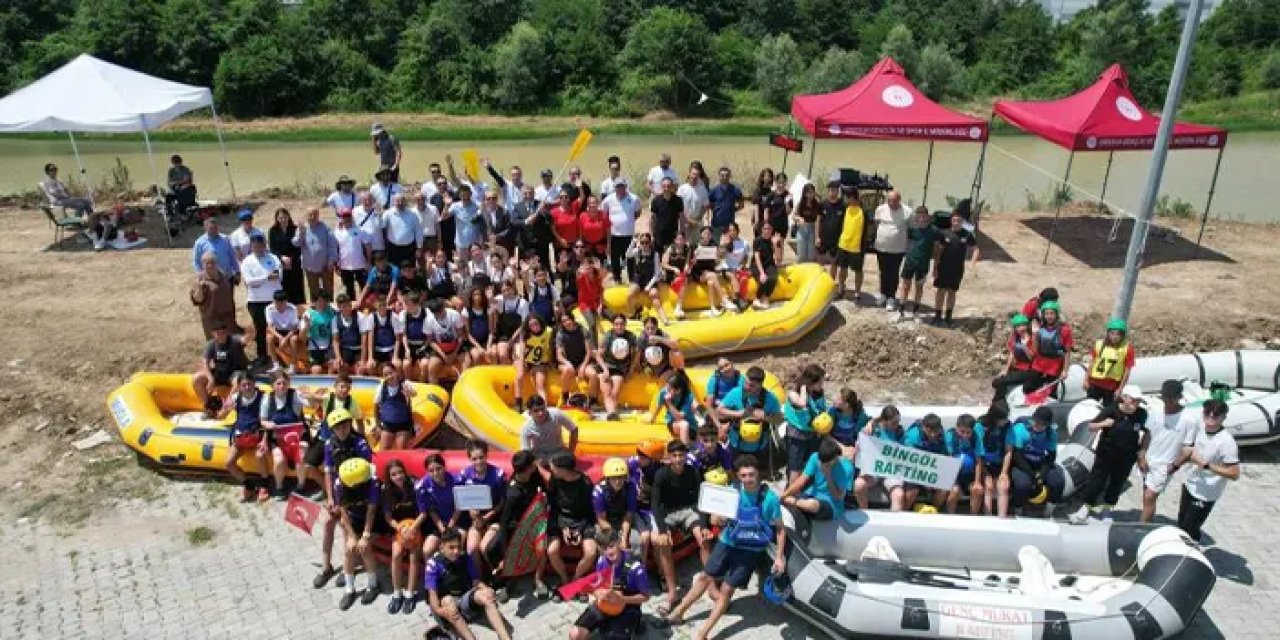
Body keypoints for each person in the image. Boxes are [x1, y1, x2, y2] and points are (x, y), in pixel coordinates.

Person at [661, 455, 786, 640]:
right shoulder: (731, 492)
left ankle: (703, 633)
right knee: (704, 577)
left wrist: (779, 557)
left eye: (751, 474)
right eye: (743, 475)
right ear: (738, 476)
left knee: (727, 589)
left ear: (757, 473)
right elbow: (715, 519)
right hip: (728, 541)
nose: (748, 479)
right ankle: (678, 613)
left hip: (750, 550)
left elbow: (780, 529)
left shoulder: (770, 499)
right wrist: (716, 519)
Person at [314, 407, 373, 592]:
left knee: (346, 528)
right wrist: (331, 498)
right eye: (338, 427)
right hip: (339, 491)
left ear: (350, 424)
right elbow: (329, 472)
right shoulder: (329, 445)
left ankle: (349, 566)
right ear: (332, 429)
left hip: (356, 492)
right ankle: (326, 567)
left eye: (345, 425)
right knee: (327, 523)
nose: (342, 429)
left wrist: (344, 503)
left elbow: (368, 471)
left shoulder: (360, 444)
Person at [1071, 385, 1150, 522]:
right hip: (1106, 453)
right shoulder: (1111, 410)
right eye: (1133, 400)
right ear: (1124, 398)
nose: (1136, 404)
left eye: (1138, 401)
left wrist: (1142, 452)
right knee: (1097, 480)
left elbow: (1147, 432)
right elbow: (1091, 426)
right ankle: (1086, 507)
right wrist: (1104, 424)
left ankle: (1107, 509)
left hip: (1127, 455)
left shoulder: (1141, 414)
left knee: (1117, 483)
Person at [424, 528, 512, 640]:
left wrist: (486, 589)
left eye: (458, 547)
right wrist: (441, 611)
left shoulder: (465, 558)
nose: (456, 551)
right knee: (448, 601)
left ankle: (505, 637)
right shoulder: (433, 564)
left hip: (463, 598)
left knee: (486, 595)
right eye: (451, 547)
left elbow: (475, 581)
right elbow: (432, 595)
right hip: (446, 605)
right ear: (442, 547)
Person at [651, 440, 708, 612]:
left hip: (687, 509)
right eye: (674, 456)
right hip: (667, 512)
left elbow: (701, 500)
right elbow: (655, 503)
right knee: (664, 543)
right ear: (669, 457)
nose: (678, 459)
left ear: (685, 456)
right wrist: (662, 530)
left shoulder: (693, 472)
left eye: (681, 455)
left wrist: (704, 525)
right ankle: (672, 591)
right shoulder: (661, 475)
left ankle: (710, 583)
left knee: (703, 538)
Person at [1173, 399, 1239, 541]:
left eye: (1215, 415)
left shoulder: (1227, 442)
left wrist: (1208, 466)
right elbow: (1191, 452)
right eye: (1207, 413)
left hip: (1206, 493)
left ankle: (1190, 551)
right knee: (1181, 521)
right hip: (1190, 483)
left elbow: (1234, 473)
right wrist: (1175, 465)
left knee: (1189, 528)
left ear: (1223, 417)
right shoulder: (1200, 429)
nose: (1210, 417)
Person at [568, 529, 651, 640]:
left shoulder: (636, 567)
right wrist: (596, 593)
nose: (609, 552)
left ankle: (636, 622)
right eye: (604, 549)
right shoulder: (601, 561)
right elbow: (598, 585)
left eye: (611, 546)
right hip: (604, 604)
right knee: (575, 634)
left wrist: (622, 599)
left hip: (627, 607)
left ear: (619, 542)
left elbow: (645, 597)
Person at [540, 453, 600, 598]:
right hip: (561, 519)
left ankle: (574, 581)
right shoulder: (556, 479)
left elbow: (590, 511)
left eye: (554, 467)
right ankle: (564, 580)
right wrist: (563, 527)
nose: (552, 470)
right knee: (552, 551)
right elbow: (553, 506)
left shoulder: (585, 483)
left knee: (591, 552)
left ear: (565, 469)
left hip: (583, 520)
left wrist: (578, 529)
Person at [1140, 380, 1198, 523]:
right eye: (1165, 398)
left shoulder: (1189, 419)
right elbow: (1148, 434)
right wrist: (1141, 455)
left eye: (1172, 399)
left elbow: (1188, 448)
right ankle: (1148, 523)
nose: (1168, 402)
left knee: (1149, 496)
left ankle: (1141, 528)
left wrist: (1175, 466)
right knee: (1147, 496)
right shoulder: (1155, 411)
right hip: (1148, 460)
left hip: (1165, 466)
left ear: (1179, 397)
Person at [334, 457, 386, 610]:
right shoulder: (339, 484)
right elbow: (343, 512)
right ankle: (349, 589)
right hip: (354, 519)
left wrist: (365, 536)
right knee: (350, 551)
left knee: (365, 547)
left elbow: (371, 512)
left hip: (375, 520)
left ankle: (373, 585)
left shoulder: (374, 483)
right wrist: (351, 537)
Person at [300, 373, 365, 492]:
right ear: (335, 387)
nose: (345, 390)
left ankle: (340, 491)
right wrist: (310, 395)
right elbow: (312, 400)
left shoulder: (352, 402)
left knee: (340, 468)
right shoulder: (327, 398)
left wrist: (362, 438)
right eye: (342, 386)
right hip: (324, 438)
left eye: (348, 388)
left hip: (343, 441)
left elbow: (360, 422)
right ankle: (327, 489)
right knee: (308, 466)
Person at [1002, 406, 1065, 518]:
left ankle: (1048, 512)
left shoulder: (1051, 434)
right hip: (1021, 463)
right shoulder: (1021, 429)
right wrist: (1032, 475)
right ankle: (1018, 510)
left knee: (1058, 482)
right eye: (1036, 422)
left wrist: (1042, 474)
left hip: (1040, 462)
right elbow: (1016, 456)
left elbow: (1051, 456)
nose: (1037, 426)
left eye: (1042, 424)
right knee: (1023, 485)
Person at [457, 440, 508, 579]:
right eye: (474, 458)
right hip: (475, 521)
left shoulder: (498, 474)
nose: (478, 461)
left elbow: (503, 501)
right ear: (469, 459)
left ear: (486, 456)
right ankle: (479, 581)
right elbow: (460, 497)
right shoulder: (465, 474)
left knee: (485, 547)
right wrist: (471, 512)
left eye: (481, 457)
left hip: (494, 518)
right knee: (471, 548)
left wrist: (487, 517)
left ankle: (498, 577)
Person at [217, 372, 269, 502]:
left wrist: (264, 440)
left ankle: (264, 485)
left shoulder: (263, 398)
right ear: (240, 386)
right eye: (243, 385)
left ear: (254, 383)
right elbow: (220, 416)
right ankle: (249, 485)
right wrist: (225, 409)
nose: (247, 387)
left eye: (249, 384)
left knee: (260, 455)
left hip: (257, 434)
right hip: (241, 436)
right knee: (229, 463)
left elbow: (267, 420)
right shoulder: (235, 398)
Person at [381, 458, 424, 615]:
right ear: (390, 477)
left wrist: (412, 529)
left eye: (400, 472)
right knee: (397, 554)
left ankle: (410, 593)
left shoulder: (415, 486)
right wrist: (401, 528)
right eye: (394, 474)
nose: (398, 476)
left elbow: (423, 513)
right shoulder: (387, 491)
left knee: (414, 555)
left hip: (416, 526)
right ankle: (397, 592)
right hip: (399, 529)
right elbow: (387, 517)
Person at [258, 371, 306, 500]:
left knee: (301, 457)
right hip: (277, 438)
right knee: (279, 460)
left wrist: (310, 397)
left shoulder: (295, 394)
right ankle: (279, 486)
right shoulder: (268, 398)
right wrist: (268, 424)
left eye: (284, 383)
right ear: (273, 385)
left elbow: (308, 403)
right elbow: (262, 420)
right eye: (278, 383)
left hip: (296, 437)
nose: (282, 386)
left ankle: (301, 486)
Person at [717, 366, 781, 460]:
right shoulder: (736, 392)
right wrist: (739, 413)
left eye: (751, 385)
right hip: (736, 444)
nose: (746, 387)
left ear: (760, 385)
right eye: (745, 382)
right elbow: (719, 410)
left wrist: (765, 416)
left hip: (760, 446)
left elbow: (779, 420)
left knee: (759, 472)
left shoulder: (771, 398)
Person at [782, 436, 853, 520]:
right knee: (788, 494)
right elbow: (802, 479)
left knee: (812, 505)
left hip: (831, 504)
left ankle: (795, 502)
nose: (821, 464)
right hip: (812, 494)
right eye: (820, 462)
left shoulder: (847, 468)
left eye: (825, 464)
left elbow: (838, 497)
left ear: (835, 458)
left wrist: (828, 475)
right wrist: (784, 495)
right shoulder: (815, 457)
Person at [931, 210, 979, 326]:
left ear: (962, 222)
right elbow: (937, 252)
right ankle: (937, 316)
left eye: (958, 220)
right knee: (940, 291)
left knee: (952, 292)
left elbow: (976, 249)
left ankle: (948, 317)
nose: (956, 222)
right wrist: (935, 268)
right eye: (954, 220)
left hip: (957, 269)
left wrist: (973, 263)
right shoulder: (944, 234)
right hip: (943, 267)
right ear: (951, 221)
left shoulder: (967, 235)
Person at [241, 232, 283, 366]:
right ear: (251, 246)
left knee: (276, 328)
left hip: (274, 300)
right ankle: (262, 356)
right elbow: (249, 281)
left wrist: (260, 280)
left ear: (264, 245)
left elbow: (278, 275)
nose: (258, 248)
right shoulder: (247, 262)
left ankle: (278, 356)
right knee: (260, 329)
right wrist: (266, 277)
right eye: (255, 246)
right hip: (256, 301)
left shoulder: (273, 258)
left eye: (261, 245)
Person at [783, 365, 830, 483]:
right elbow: (802, 403)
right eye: (819, 382)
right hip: (797, 436)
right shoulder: (793, 394)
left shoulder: (817, 393)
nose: (821, 385)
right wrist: (804, 388)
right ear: (810, 382)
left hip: (813, 433)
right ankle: (791, 491)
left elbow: (821, 409)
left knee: (811, 464)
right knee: (795, 467)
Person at [852, 406, 905, 509]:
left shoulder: (899, 432)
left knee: (898, 494)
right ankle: (865, 512)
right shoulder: (870, 430)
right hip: (873, 469)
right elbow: (859, 450)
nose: (897, 425)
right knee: (859, 485)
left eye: (898, 422)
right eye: (894, 423)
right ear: (885, 421)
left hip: (890, 470)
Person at [898, 414, 949, 511]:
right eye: (929, 431)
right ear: (923, 427)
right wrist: (924, 480)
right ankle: (904, 512)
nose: (933, 435)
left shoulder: (942, 436)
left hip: (932, 468)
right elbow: (908, 461)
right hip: (912, 469)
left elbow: (944, 457)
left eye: (936, 431)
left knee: (944, 489)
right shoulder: (912, 437)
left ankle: (933, 510)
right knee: (912, 492)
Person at [681, 225, 731, 318]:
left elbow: (718, 260)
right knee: (711, 275)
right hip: (698, 273)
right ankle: (724, 299)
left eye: (709, 233)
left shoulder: (713, 244)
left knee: (711, 282)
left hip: (709, 272)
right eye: (705, 233)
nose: (707, 235)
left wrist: (722, 246)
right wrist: (693, 261)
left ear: (711, 236)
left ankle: (712, 308)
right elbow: (688, 262)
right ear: (701, 235)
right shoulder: (694, 245)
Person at [897, 206, 938, 318]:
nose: (921, 217)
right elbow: (908, 241)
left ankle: (915, 311)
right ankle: (901, 310)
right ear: (916, 216)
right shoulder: (912, 228)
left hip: (923, 263)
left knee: (919, 287)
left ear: (927, 216)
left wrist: (935, 264)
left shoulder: (933, 230)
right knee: (905, 286)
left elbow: (937, 247)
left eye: (923, 214)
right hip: (910, 261)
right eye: (919, 214)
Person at [1084, 318, 1136, 405]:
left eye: (1118, 334)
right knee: (1089, 406)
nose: (1115, 337)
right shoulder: (1099, 344)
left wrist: (1120, 389)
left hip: (1112, 386)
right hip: (1095, 383)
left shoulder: (1127, 349)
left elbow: (1127, 371)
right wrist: (1086, 380)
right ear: (1108, 333)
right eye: (1112, 333)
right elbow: (1092, 363)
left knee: (1108, 410)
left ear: (1122, 336)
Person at [1026, 300, 1074, 393]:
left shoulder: (1064, 329)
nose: (1049, 316)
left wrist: (1065, 370)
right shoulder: (1040, 328)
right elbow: (1035, 350)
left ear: (1056, 314)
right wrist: (1035, 334)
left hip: (1055, 365)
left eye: (1052, 313)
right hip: (1039, 364)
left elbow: (1067, 351)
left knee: (1051, 393)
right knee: (1028, 388)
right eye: (1046, 313)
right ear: (1043, 315)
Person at [872, 190, 910, 310]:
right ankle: (883, 294)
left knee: (893, 273)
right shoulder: (880, 209)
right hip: (881, 247)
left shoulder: (908, 211)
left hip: (898, 249)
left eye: (894, 201)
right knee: (883, 271)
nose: (891, 203)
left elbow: (910, 229)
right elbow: (876, 223)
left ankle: (891, 297)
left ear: (899, 200)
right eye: (889, 201)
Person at [595, 314, 636, 420]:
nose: (619, 326)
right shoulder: (608, 336)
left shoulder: (630, 336)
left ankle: (611, 410)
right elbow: (598, 355)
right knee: (606, 391)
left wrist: (631, 370)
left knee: (615, 391)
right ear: (613, 325)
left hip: (619, 369)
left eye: (621, 324)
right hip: (605, 367)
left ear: (625, 324)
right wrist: (605, 370)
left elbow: (635, 355)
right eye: (616, 324)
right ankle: (612, 413)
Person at [190, 251, 238, 339]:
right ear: (202, 264)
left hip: (227, 318)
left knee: (230, 345)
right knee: (216, 347)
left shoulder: (222, 274)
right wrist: (199, 286)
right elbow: (198, 300)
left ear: (217, 263)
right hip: (212, 321)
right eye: (207, 263)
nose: (210, 265)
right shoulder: (199, 278)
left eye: (212, 262)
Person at [943, 414, 985, 514]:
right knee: (955, 491)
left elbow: (979, 461)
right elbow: (949, 459)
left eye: (968, 432)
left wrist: (977, 481)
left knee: (977, 490)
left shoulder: (976, 437)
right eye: (962, 432)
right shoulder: (950, 436)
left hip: (969, 474)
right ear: (956, 427)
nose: (965, 435)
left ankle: (973, 515)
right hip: (953, 474)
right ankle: (950, 515)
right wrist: (954, 482)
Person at [520, 395, 580, 464]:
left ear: (546, 407)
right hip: (539, 455)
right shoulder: (526, 427)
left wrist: (570, 452)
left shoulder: (556, 414)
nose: (540, 413)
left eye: (542, 409)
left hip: (558, 452)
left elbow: (574, 429)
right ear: (530, 413)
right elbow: (526, 452)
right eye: (536, 411)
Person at [991, 314, 1037, 403]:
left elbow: (1032, 358)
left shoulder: (1032, 339)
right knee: (999, 384)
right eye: (1019, 326)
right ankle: (998, 403)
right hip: (1017, 368)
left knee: (999, 383)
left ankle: (996, 403)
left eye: (1024, 325)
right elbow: (1012, 354)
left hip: (1029, 370)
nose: (1022, 328)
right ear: (1015, 328)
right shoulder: (1014, 339)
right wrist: (1006, 370)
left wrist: (1025, 347)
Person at [976, 402, 1012, 516]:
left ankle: (1002, 518)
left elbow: (1008, 451)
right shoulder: (980, 426)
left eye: (1006, 417)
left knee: (1003, 486)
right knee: (989, 485)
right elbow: (979, 453)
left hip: (999, 464)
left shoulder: (1008, 427)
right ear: (994, 418)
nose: (1005, 421)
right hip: (983, 464)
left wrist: (1004, 473)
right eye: (1003, 418)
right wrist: (985, 472)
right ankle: (988, 516)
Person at [834, 185, 869, 300]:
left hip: (857, 247)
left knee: (858, 270)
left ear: (853, 198)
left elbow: (867, 230)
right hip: (843, 245)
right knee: (842, 268)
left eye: (847, 197)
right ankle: (840, 290)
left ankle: (857, 292)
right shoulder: (845, 208)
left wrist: (864, 246)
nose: (845, 199)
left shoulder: (863, 211)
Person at [603, 181, 641, 282]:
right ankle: (617, 278)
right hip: (614, 235)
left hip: (628, 235)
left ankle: (632, 279)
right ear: (614, 187)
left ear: (625, 186)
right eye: (617, 186)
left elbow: (638, 213)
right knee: (615, 259)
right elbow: (604, 213)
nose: (619, 188)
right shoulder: (608, 199)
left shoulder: (634, 198)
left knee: (630, 258)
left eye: (622, 186)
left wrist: (627, 221)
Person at [514, 315, 554, 410]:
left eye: (536, 324)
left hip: (540, 362)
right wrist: (521, 366)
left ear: (540, 322)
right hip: (526, 360)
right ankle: (518, 401)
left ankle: (544, 407)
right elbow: (521, 351)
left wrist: (551, 362)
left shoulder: (548, 331)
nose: (534, 327)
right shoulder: (525, 334)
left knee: (540, 384)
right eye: (531, 325)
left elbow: (551, 348)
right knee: (519, 376)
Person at [623, 233, 667, 322]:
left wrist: (649, 286)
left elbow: (657, 273)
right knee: (629, 295)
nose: (644, 245)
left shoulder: (655, 254)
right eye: (642, 242)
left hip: (651, 278)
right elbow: (627, 255)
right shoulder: (637, 251)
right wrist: (633, 242)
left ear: (650, 243)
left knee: (654, 295)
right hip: (639, 279)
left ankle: (664, 318)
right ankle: (633, 314)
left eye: (646, 242)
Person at [374, 363, 418, 450]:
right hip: (387, 425)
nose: (389, 376)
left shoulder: (405, 384)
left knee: (401, 448)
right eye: (386, 375)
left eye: (391, 373)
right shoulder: (381, 388)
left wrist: (409, 392)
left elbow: (414, 393)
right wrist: (378, 425)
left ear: (396, 372)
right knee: (383, 449)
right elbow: (375, 407)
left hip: (403, 424)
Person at [648, 370, 699, 443]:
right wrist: (652, 419)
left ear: (680, 390)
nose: (671, 392)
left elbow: (680, 416)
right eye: (669, 388)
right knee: (684, 425)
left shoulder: (687, 396)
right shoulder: (664, 392)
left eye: (674, 390)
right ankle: (684, 450)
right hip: (674, 423)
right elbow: (659, 407)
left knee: (697, 430)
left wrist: (669, 403)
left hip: (691, 425)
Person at [424, 297, 466, 384]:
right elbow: (430, 341)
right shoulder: (428, 320)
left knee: (466, 363)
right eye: (437, 313)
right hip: (440, 348)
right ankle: (435, 393)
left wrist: (454, 353)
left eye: (441, 311)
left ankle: (462, 388)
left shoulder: (454, 315)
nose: (440, 314)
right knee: (431, 368)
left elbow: (461, 336)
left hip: (456, 346)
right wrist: (444, 356)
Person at [269, 208, 306, 305]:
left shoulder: (294, 229)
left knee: (297, 288)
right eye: (280, 218)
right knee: (284, 288)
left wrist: (291, 259)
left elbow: (299, 246)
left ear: (289, 217)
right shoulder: (273, 231)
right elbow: (272, 249)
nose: (283, 219)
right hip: (280, 264)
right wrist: (282, 258)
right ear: (277, 218)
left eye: (285, 217)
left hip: (295, 264)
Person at [333, 208, 372, 301]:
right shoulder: (337, 232)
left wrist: (368, 261)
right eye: (344, 216)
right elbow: (335, 249)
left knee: (364, 288)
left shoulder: (360, 230)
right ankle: (352, 308)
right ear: (341, 218)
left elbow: (368, 246)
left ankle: (365, 307)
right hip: (344, 266)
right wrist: (336, 265)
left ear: (351, 217)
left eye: (348, 216)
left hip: (360, 265)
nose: (346, 218)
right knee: (349, 289)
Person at [395, 291, 431, 380]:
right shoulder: (403, 314)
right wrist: (407, 349)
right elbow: (404, 335)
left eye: (409, 305)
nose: (407, 307)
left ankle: (422, 385)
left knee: (424, 364)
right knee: (406, 364)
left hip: (424, 345)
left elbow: (429, 337)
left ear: (417, 304)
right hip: (409, 345)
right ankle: (408, 385)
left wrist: (423, 348)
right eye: (406, 305)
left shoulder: (427, 313)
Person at [300, 290, 337, 373]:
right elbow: (302, 338)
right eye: (319, 301)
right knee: (316, 370)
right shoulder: (308, 314)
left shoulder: (332, 312)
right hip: (314, 348)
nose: (322, 303)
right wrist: (307, 325)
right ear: (314, 302)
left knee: (333, 365)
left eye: (325, 301)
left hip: (329, 347)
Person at [264, 290, 301, 372]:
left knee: (294, 340)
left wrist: (286, 338)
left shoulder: (292, 308)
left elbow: (295, 327)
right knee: (269, 338)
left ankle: (293, 366)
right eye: (277, 303)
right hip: (277, 332)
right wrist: (281, 338)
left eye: (282, 303)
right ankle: (276, 365)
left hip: (291, 331)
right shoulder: (268, 308)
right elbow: (270, 327)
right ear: (273, 301)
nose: (279, 305)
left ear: (286, 301)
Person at [828, 388, 870, 459]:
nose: (835, 400)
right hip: (834, 446)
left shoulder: (859, 415)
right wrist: (843, 448)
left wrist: (870, 423)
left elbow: (875, 420)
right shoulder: (833, 412)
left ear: (846, 405)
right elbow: (825, 435)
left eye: (838, 399)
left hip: (851, 450)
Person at [707, 167, 745, 243]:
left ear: (730, 176)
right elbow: (708, 205)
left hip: (730, 224)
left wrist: (733, 209)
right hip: (716, 224)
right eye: (722, 175)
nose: (724, 177)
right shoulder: (713, 190)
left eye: (727, 175)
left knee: (729, 245)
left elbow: (741, 205)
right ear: (719, 176)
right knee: (717, 244)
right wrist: (717, 209)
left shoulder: (735, 190)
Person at [650, 177, 685, 256]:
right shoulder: (656, 200)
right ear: (661, 187)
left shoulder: (678, 200)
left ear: (672, 187)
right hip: (659, 234)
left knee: (672, 257)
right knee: (658, 257)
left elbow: (682, 218)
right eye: (664, 186)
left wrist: (682, 234)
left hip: (673, 234)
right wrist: (652, 234)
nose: (666, 188)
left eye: (668, 186)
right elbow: (652, 219)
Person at [451, 184, 488, 258]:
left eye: (467, 195)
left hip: (475, 244)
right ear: (459, 195)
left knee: (477, 265)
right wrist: (446, 205)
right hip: (461, 244)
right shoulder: (454, 206)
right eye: (463, 195)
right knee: (463, 266)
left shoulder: (478, 205)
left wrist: (482, 210)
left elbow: (483, 221)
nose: (465, 197)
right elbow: (443, 217)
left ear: (471, 194)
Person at [752, 221, 782, 310]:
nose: (767, 231)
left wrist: (775, 245)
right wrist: (761, 272)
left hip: (769, 264)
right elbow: (757, 258)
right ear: (762, 230)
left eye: (769, 229)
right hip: (757, 265)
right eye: (765, 229)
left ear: (772, 230)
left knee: (772, 278)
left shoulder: (775, 241)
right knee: (763, 279)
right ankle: (757, 299)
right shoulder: (757, 240)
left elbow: (779, 258)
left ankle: (766, 298)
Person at [367, 293, 401, 371]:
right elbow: (370, 339)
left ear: (386, 305)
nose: (382, 308)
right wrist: (370, 357)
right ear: (375, 306)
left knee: (397, 365)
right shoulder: (371, 317)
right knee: (370, 366)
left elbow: (398, 339)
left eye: (384, 305)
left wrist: (395, 356)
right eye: (380, 306)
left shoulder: (393, 316)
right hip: (377, 350)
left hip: (390, 350)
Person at [463, 288, 495, 367]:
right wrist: (479, 347)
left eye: (479, 294)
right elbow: (468, 333)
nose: (477, 297)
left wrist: (488, 346)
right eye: (475, 295)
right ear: (471, 296)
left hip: (486, 340)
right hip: (473, 342)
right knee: (477, 356)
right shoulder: (466, 311)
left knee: (492, 353)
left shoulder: (488, 309)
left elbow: (491, 331)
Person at [677, 166, 711, 238]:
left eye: (697, 175)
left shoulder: (703, 189)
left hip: (697, 222)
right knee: (683, 243)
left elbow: (705, 206)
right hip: (683, 222)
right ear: (689, 174)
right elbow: (678, 207)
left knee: (696, 244)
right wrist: (688, 220)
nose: (695, 176)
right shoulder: (682, 189)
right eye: (693, 174)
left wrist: (696, 220)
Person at [792, 182, 821, 263]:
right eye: (808, 192)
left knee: (811, 255)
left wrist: (817, 236)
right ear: (805, 193)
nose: (811, 194)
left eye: (812, 192)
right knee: (801, 254)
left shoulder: (817, 204)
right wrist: (799, 218)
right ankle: (800, 272)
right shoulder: (801, 203)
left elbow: (818, 220)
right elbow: (793, 216)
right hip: (802, 229)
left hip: (812, 229)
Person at [759, 173, 791, 241]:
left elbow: (788, 212)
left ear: (786, 182)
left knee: (779, 246)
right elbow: (766, 210)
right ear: (776, 182)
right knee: (769, 247)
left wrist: (787, 202)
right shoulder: (771, 195)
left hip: (782, 226)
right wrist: (766, 224)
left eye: (783, 182)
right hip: (771, 225)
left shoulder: (788, 195)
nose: (781, 185)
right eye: (779, 182)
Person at [751, 168, 776, 234]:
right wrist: (756, 221)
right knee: (759, 241)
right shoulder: (758, 190)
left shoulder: (773, 191)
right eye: (765, 176)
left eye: (769, 176)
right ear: (762, 177)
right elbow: (756, 206)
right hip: (759, 220)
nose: (767, 178)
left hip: (770, 221)